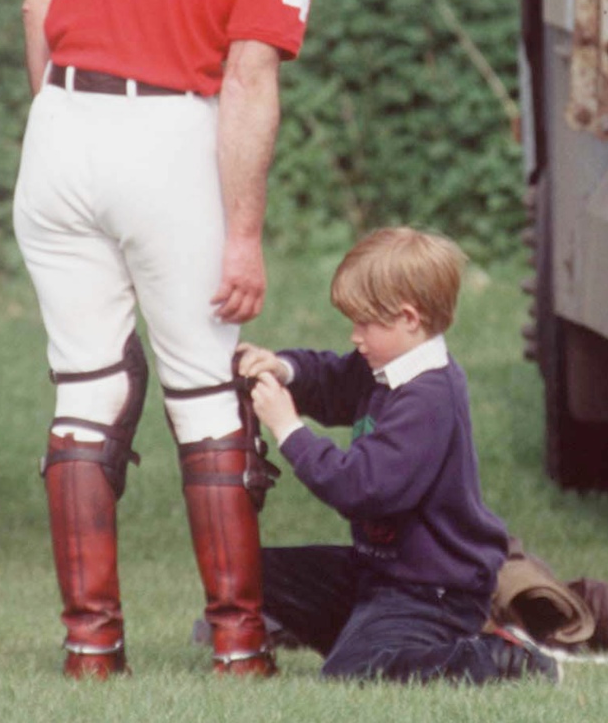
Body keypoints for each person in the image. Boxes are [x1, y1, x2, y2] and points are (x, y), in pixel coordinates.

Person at [13, 0, 393, 680]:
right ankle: (236, 646)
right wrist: (245, 236)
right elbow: (251, 78)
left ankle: (91, 650)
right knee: (205, 395)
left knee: (86, 393)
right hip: (168, 133)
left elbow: (38, 7)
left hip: (60, 126)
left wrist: (69, 127)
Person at [234, 226, 561, 684]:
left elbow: (360, 487)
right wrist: (282, 368)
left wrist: (288, 428)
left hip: (433, 592)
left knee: (351, 672)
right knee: (246, 568)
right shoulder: (384, 368)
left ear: (409, 318)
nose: (354, 337)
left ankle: (498, 660)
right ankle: (353, 637)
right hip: (380, 576)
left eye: (365, 323)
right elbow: (330, 379)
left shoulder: (429, 397)